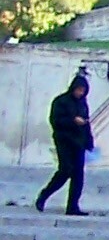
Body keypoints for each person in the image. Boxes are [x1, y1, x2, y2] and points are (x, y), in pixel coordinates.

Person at [34, 70, 92, 215]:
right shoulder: (61, 101)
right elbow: (55, 121)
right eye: (78, 89)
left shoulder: (82, 104)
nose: (80, 93)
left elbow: (86, 123)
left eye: (83, 91)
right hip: (64, 140)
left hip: (79, 142)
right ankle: (44, 195)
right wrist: (73, 121)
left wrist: (89, 141)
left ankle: (73, 206)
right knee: (65, 170)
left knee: (78, 175)